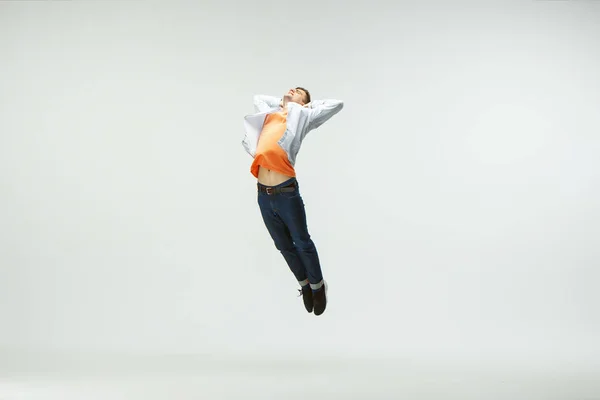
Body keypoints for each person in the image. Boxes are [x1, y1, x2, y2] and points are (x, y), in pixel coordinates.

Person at [242, 87, 343, 316]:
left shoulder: (302, 116)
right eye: (292, 88)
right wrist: (284, 102)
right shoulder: (271, 114)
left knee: (301, 241)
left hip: (286, 192)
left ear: (305, 103)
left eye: (299, 92)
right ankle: (305, 285)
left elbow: (337, 104)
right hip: (263, 194)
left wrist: (301, 106)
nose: (293, 90)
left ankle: (318, 287)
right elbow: (257, 97)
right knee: (283, 245)